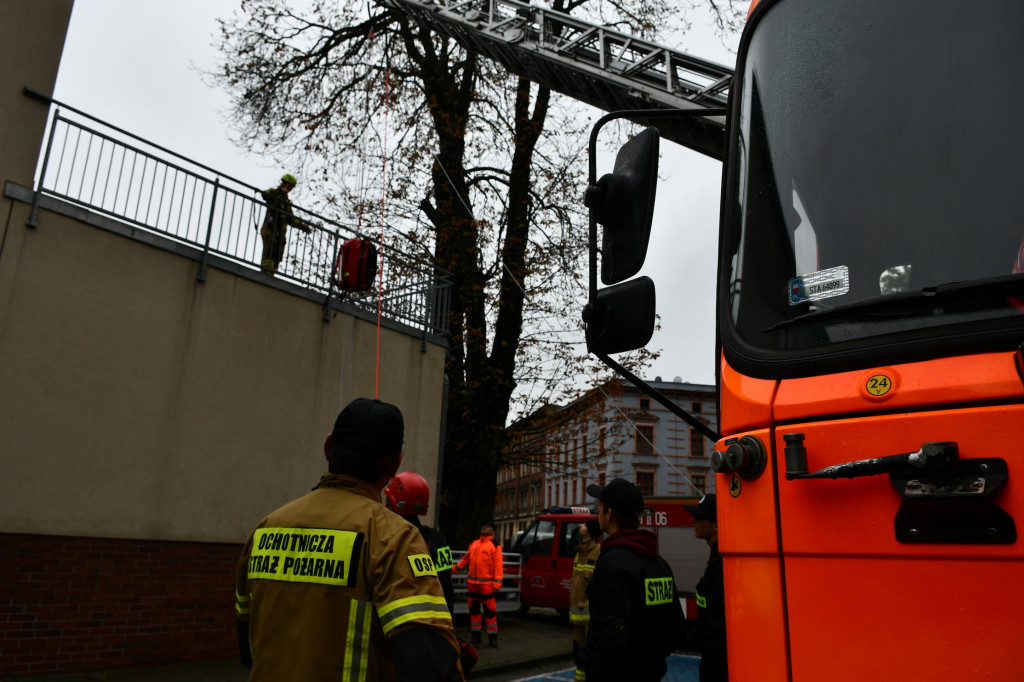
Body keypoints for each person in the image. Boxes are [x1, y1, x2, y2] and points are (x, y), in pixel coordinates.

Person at [234, 398, 464, 682]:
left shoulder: (264, 530)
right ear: (394, 466)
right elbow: (429, 666)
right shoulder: (394, 538)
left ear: (329, 447)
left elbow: (248, 647)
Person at [578, 478, 686, 682]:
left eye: (599, 506)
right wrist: (650, 658)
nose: (597, 511)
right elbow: (677, 628)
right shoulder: (658, 562)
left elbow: (610, 636)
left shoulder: (612, 564)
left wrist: (589, 662)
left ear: (609, 514)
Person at [684, 493, 727, 682]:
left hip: (717, 660)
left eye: (700, 517)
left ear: (717, 524)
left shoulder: (721, 563)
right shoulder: (717, 557)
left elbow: (717, 619)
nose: (693, 520)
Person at [454, 522, 503, 647]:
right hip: (473, 584)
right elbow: (466, 558)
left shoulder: (495, 545)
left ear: (492, 531)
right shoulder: (474, 543)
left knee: (489, 611)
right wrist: (454, 568)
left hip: (487, 584)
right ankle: (476, 636)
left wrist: (497, 583)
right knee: (474, 611)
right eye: (483, 526)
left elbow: (498, 565)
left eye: (487, 527)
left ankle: (493, 637)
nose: (484, 528)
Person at [570, 517, 602, 681]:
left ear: (590, 531)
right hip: (578, 613)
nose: (580, 526)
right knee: (578, 651)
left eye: (584, 525)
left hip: (590, 614)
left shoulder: (597, 551)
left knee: (590, 652)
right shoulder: (580, 551)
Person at [258, 173, 310, 273]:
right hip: (270, 229)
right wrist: (279, 191)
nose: (289, 188)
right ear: (283, 183)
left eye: (291, 186)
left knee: (276, 255)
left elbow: (292, 219)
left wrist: (304, 227)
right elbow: (264, 194)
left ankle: (271, 273)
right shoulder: (274, 193)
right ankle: (265, 274)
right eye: (288, 185)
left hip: (280, 233)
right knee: (268, 253)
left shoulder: (286, 203)